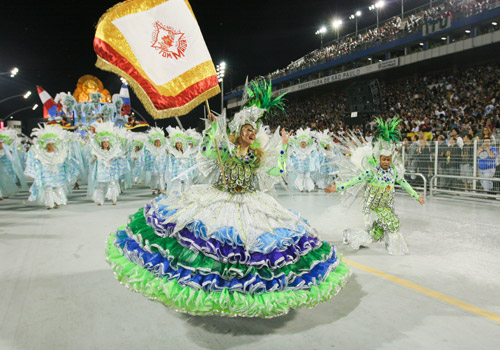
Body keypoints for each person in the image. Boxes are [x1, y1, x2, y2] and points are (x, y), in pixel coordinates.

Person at [105, 81, 350, 318]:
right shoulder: (226, 151)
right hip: (220, 199)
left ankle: (243, 291)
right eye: (248, 130)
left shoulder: (256, 157)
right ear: (239, 133)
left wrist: (284, 147)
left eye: (254, 131)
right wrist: (213, 129)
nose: (252, 134)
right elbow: (207, 151)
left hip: (250, 202)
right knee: (215, 245)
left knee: (248, 247)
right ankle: (213, 289)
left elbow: (278, 171)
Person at [326, 117, 425, 255]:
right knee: (393, 223)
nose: (386, 162)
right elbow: (353, 181)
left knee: (375, 234)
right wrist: (337, 187)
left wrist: (416, 196)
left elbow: (405, 184)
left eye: (388, 160)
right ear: (379, 158)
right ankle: (396, 248)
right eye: (384, 159)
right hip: (374, 205)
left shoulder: (394, 171)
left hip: (387, 204)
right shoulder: (371, 172)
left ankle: (351, 235)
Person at [25, 125, 78, 209]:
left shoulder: (59, 153)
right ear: (46, 145)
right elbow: (36, 160)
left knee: (57, 187)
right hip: (46, 173)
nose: (51, 146)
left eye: (52, 144)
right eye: (49, 144)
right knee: (48, 188)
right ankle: (49, 203)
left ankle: (58, 202)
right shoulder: (41, 154)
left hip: (57, 173)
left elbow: (64, 159)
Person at [87, 122, 122, 205]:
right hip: (101, 170)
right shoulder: (98, 151)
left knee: (112, 184)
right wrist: (94, 159)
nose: (106, 143)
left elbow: (117, 157)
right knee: (100, 185)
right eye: (104, 142)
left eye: (107, 142)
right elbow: (91, 159)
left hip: (110, 170)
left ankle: (113, 199)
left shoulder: (112, 151)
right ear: (102, 143)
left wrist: (117, 158)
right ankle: (100, 200)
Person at [0, 128, 28, 199]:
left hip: (6, 169)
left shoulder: (7, 150)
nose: (1, 144)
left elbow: (11, 159)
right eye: (0, 143)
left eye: (2, 143)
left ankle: (4, 193)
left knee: (5, 181)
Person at [144, 127, 168, 195]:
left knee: (160, 176)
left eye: (158, 141)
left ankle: (161, 188)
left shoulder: (163, 148)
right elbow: (147, 156)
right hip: (153, 164)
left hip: (161, 164)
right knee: (154, 175)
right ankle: (153, 188)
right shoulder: (151, 148)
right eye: (156, 141)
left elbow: (166, 155)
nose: (157, 142)